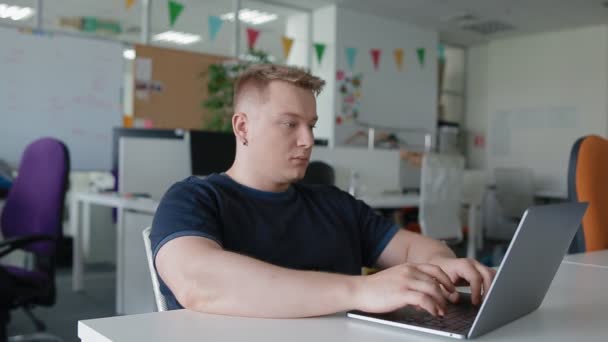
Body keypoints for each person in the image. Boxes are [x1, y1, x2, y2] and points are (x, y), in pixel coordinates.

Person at [151, 64, 495, 318]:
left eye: (311, 126)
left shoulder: (334, 204)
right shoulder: (193, 198)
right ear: (243, 127)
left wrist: (439, 267)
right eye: (290, 124)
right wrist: (361, 290)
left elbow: (415, 249)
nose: (308, 140)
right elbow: (199, 282)